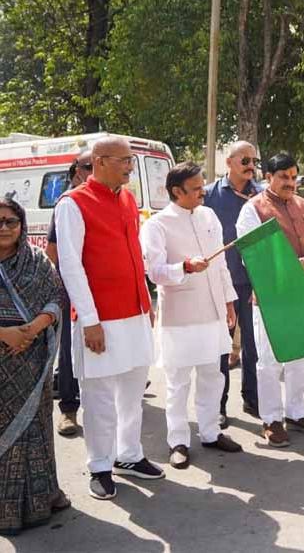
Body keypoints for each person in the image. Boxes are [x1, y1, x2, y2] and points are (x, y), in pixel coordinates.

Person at [55, 136, 164, 501]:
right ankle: (100, 465)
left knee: (133, 391)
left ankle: (128, 455)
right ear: (99, 161)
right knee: (99, 396)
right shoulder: (73, 204)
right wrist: (89, 320)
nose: (131, 167)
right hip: (98, 318)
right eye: (125, 160)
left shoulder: (128, 199)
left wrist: (145, 299)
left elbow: (133, 252)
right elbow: (70, 265)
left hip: (133, 312)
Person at [141, 162, 243, 470]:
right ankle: (178, 441)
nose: (203, 192)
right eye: (196, 188)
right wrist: (184, 267)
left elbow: (221, 263)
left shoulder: (208, 215)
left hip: (213, 311)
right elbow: (154, 272)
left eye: (202, 186)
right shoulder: (157, 225)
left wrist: (228, 302)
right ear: (177, 191)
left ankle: (211, 432)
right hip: (181, 315)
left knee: (213, 376)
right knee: (178, 382)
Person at [236, 153, 304, 447]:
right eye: (283, 177)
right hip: (271, 298)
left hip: (303, 294)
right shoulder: (252, 210)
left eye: (293, 177)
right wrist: (291, 265)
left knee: (299, 354)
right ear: (268, 177)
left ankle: (296, 412)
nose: (290, 183)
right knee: (269, 360)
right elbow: (252, 257)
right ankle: (271, 419)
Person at [0, 198, 70, 535]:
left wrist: (31, 330)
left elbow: (56, 298)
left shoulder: (37, 261)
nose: (4, 228)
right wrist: (6, 334)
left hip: (32, 360)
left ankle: (41, 498)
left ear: (22, 225)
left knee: (36, 428)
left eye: (11, 221)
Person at [204, 141, 261, 426]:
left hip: (254, 283)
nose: (251, 166)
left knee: (254, 344)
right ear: (229, 162)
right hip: (222, 283)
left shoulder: (261, 196)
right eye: (245, 160)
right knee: (221, 347)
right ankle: (219, 406)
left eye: (254, 161)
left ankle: (253, 399)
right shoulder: (210, 195)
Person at [45, 150, 93, 437]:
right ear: (78, 171)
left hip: (104, 289)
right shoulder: (68, 203)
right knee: (69, 350)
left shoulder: (112, 200)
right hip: (73, 288)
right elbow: (53, 252)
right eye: (90, 167)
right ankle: (68, 409)